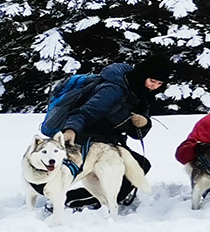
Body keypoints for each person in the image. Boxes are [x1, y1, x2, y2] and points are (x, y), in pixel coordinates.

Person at [41, 54, 175, 208]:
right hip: (87, 137)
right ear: (143, 76)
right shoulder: (114, 89)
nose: (155, 86)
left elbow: (136, 134)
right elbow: (86, 112)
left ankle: (100, 198)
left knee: (140, 165)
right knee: (82, 171)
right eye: (152, 81)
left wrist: (144, 123)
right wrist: (71, 129)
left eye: (159, 83)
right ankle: (65, 200)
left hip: (109, 140)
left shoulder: (141, 94)